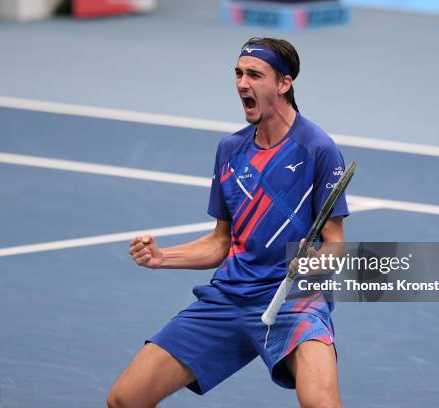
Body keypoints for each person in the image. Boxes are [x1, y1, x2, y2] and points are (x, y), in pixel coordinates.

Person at [108, 37, 349, 408]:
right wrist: (162, 257)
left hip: (293, 301)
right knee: (126, 398)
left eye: (254, 74)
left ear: (284, 83)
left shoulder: (318, 148)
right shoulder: (230, 150)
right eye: (238, 74)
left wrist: (313, 263)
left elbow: (335, 245)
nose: (242, 83)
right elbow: (221, 242)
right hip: (230, 297)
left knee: (321, 404)